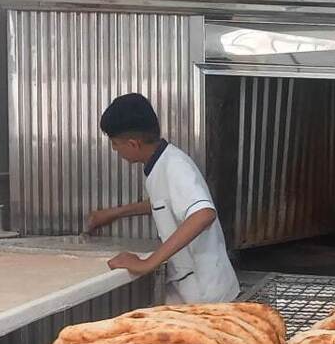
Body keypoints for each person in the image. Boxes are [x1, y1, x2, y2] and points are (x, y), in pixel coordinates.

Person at [86, 93, 239, 303]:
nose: (115, 150)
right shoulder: (159, 164)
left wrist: (147, 263)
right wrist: (114, 213)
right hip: (187, 288)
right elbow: (164, 203)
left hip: (206, 295)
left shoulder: (175, 166)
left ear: (133, 144)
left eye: (115, 144)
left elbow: (203, 214)